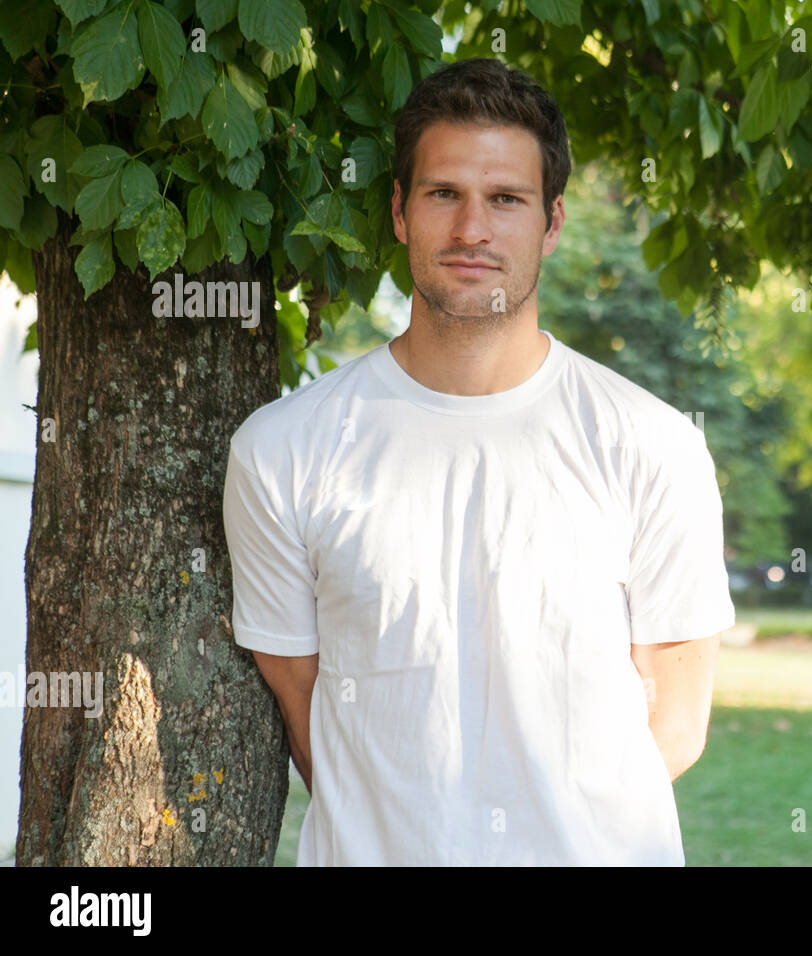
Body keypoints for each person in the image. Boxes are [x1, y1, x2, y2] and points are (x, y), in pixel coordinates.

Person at [221, 57, 735, 865]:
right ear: (398, 211)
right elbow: (309, 713)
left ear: (551, 221)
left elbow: (675, 724)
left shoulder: (652, 444)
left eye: (505, 199)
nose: (472, 231)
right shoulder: (284, 449)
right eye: (443, 194)